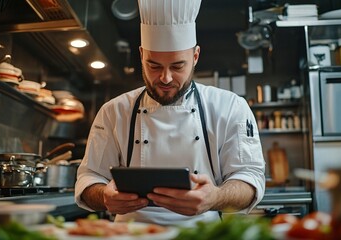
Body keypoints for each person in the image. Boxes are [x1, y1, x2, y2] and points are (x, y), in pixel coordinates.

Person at [75, 0, 265, 227]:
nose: (165, 78)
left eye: (177, 66)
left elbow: (250, 177)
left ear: (195, 57)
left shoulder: (230, 106)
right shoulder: (113, 111)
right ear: (141, 54)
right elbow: (88, 179)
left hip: (201, 232)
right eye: (154, 66)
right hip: (132, 233)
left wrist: (215, 197)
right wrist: (105, 197)